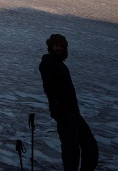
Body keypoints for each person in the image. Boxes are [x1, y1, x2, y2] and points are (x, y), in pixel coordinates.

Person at [39, 34, 99, 171]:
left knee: (90, 147)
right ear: (50, 47)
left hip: (73, 111)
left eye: (61, 46)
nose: (59, 48)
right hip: (64, 112)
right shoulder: (48, 63)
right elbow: (49, 88)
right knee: (71, 150)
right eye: (56, 45)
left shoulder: (59, 64)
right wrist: (57, 108)